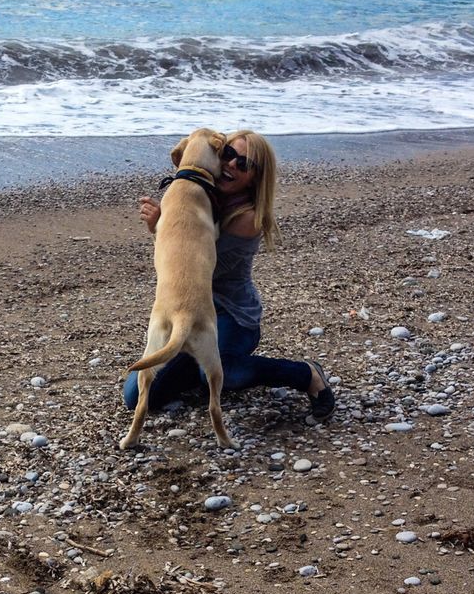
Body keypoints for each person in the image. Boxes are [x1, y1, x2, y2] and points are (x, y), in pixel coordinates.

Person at [123, 129, 335, 421]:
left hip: (233, 316)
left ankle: (306, 374)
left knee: (230, 375)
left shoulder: (247, 218)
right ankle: (197, 367)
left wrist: (163, 226)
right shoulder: (201, 196)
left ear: (256, 178)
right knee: (134, 396)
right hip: (190, 309)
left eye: (244, 164)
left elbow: (197, 267)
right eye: (228, 154)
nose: (232, 165)